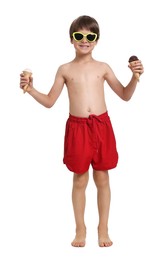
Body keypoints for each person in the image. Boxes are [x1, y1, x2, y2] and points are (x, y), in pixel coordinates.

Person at [20, 15, 144, 247]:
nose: (84, 40)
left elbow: (125, 96)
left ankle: (103, 228)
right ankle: (80, 229)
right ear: (71, 39)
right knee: (79, 179)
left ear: (96, 40)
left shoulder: (103, 67)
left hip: (102, 127)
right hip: (77, 129)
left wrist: (134, 78)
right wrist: (30, 89)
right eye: (79, 36)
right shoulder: (65, 69)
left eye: (90, 36)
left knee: (103, 178)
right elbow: (49, 101)